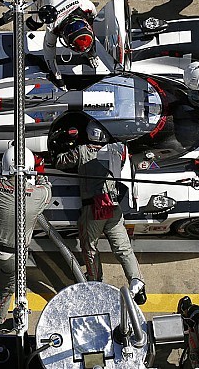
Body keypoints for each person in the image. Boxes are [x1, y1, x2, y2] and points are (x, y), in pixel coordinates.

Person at [54, 121, 146, 304]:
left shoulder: (81, 151)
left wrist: (64, 142)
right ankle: (138, 284)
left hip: (93, 209)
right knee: (124, 249)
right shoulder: (117, 150)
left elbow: (59, 162)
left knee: (90, 248)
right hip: (113, 207)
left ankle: (95, 282)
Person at [0, 143, 52, 331]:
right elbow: (47, 188)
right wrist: (40, 171)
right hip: (12, 259)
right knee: (5, 289)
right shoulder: (39, 196)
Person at [28, 0, 98, 89]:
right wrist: (56, 75)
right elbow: (49, 55)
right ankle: (30, 23)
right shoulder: (53, 26)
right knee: (37, 20)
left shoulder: (87, 6)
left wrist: (91, 53)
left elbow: (91, 25)